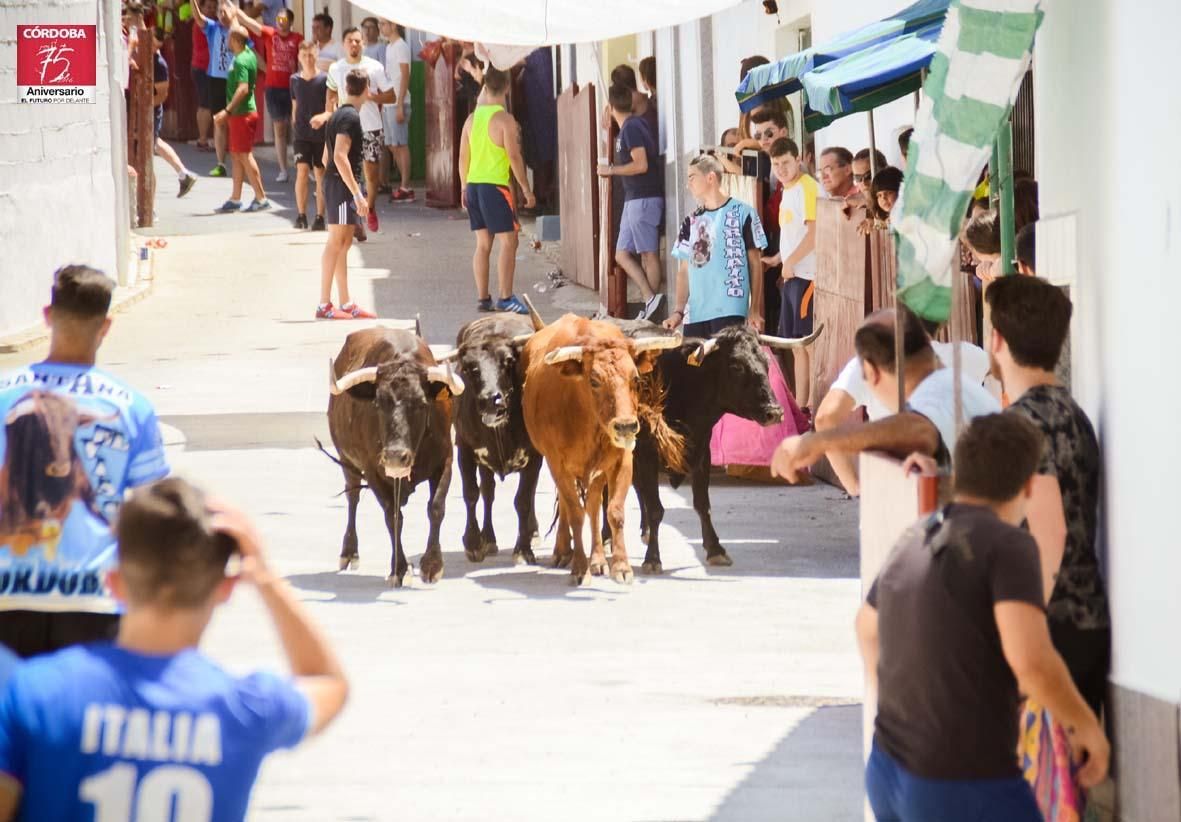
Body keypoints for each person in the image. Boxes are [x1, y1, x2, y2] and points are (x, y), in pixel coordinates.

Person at [0, 479, 350, 819]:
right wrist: (263, 575)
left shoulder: (33, 693)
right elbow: (328, 682)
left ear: (113, 583)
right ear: (226, 588)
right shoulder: (246, 707)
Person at [857, 413, 1109, 821]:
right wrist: (1085, 727)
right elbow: (1032, 663)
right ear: (1028, 486)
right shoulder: (1009, 545)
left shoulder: (913, 536)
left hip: (888, 770)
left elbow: (866, 628)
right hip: (962, 782)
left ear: (961, 473)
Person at [0, 265, 169, 658]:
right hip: (95, 604)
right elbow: (155, 514)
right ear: (106, 325)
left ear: (46, 316)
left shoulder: (4, 395)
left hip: (7, 599)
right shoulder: (131, 407)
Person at [770, 306, 999, 482]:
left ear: (871, 372)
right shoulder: (957, 372)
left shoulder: (935, 391)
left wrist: (818, 442)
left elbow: (919, 428)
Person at [815, 318, 991, 497]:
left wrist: (854, 487)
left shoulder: (871, 363)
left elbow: (825, 419)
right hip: (958, 493)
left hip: (893, 492)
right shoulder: (971, 356)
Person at [458, 66, 536, 315]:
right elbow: (514, 156)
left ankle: (483, 298)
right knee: (509, 242)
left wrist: (463, 187)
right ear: (506, 88)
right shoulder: (505, 120)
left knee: (482, 245)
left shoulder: (471, 119)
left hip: (473, 186)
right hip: (495, 187)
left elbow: (462, 158)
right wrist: (526, 189)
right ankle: (505, 297)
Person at [663, 153, 767, 336]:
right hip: (695, 312)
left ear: (710, 177)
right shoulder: (691, 221)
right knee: (693, 363)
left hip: (730, 308)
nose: (688, 185)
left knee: (725, 363)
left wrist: (754, 309)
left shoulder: (744, 213)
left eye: (692, 178)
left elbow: (755, 263)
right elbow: (684, 270)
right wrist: (678, 312)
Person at [760, 137, 819, 411]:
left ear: (798, 160)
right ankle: (800, 404)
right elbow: (793, 236)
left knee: (806, 344)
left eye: (785, 162)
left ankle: (807, 404)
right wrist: (777, 259)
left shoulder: (808, 187)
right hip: (793, 273)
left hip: (808, 276)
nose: (781, 168)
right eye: (776, 164)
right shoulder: (787, 190)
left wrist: (790, 262)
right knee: (796, 345)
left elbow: (815, 233)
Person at [599, 83, 664, 321]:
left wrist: (612, 170)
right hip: (634, 198)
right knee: (621, 253)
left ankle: (652, 308)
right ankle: (650, 298)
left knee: (648, 253)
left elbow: (641, 164)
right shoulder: (629, 127)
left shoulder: (632, 128)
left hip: (643, 197)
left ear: (610, 105)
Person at [317, 68, 377, 320]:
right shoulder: (350, 118)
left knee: (344, 243)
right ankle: (324, 304)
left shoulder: (338, 114)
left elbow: (325, 156)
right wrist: (357, 193)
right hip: (342, 186)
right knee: (336, 242)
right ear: (367, 89)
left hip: (336, 183)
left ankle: (345, 301)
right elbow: (340, 156)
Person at [323, 27, 394, 235]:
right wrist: (329, 115)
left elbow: (391, 96)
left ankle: (369, 208)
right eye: (350, 41)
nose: (354, 44)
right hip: (345, 127)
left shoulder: (375, 67)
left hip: (370, 126)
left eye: (357, 41)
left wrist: (372, 97)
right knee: (349, 172)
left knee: (371, 175)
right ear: (343, 44)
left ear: (363, 43)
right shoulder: (336, 68)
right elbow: (331, 92)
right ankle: (356, 219)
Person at [234, 5, 302, 184]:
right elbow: (248, 21)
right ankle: (283, 170)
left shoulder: (298, 39)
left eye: (284, 19)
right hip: (273, 88)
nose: (280, 22)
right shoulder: (270, 34)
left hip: (293, 88)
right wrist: (233, 8)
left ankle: (302, 166)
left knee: (298, 128)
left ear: (291, 22)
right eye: (278, 19)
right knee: (279, 129)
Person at [212, 26, 269, 213]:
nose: (227, 41)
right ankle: (236, 198)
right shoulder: (246, 55)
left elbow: (243, 88)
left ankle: (261, 197)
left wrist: (227, 111)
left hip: (242, 113)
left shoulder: (242, 60)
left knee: (244, 154)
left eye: (229, 37)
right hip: (240, 113)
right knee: (236, 155)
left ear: (235, 40)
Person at [149, 29, 198, 198]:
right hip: (148, 110)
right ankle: (184, 174)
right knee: (156, 143)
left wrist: (145, 107)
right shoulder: (146, 58)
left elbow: (162, 95)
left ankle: (149, 206)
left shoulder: (159, 63)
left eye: (152, 39)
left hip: (152, 111)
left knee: (150, 151)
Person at [189, 0, 235, 177]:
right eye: (220, 12)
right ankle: (221, 163)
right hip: (216, 78)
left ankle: (241, 160)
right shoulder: (212, 27)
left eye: (225, 12)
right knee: (219, 121)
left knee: (236, 121)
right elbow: (199, 18)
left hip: (234, 80)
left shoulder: (237, 31)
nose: (221, 15)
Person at [290, 40, 328, 230]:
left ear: (317, 55)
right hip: (301, 134)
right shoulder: (294, 80)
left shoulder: (325, 79)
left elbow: (330, 106)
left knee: (320, 173)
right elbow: (294, 106)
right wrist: (294, 126)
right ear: (299, 57)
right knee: (302, 171)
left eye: (311, 55)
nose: (308, 59)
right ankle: (301, 215)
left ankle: (320, 217)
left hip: (321, 134)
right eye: (304, 55)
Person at [381, 20, 414, 203]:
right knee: (392, 145)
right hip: (388, 102)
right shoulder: (389, 47)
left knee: (401, 144)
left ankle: (405, 186)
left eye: (383, 24)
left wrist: (400, 103)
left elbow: (405, 74)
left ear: (393, 25)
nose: (381, 27)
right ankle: (404, 184)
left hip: (398, 101)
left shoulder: (401, 46)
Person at [190, 0, 215, 151]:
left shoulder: (211, 23)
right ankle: (203, 138)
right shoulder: (202, 24)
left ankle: (204, 138)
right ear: (202, 8)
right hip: (202, 68)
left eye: (214, 7)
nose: (211, 10)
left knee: (206, 104)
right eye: (208, 7)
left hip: (205, 68)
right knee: (205, 104)